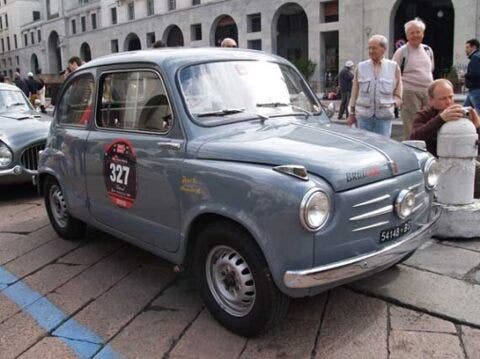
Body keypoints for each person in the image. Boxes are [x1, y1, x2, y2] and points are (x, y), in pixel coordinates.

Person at [347, 34, 402, 137]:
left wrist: (391, 105)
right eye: (369, 48)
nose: (371, 51)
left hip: (384, 118)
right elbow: (354, 93)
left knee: (383, 147)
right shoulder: (361, 67)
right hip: (364, 117)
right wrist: (351, 114)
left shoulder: (393, 67)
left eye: (374, 48)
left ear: (383, 49)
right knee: (363, 148)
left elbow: (398, 93)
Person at [410, 79, 480, 156]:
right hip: (433, 159)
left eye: (450, 97)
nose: (448, 102)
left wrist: (477, 127)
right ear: (431, 100)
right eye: (442, 99)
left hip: (460, 158)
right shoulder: (424, 115)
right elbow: (414, 138)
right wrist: (440, 119)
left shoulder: (461, 113)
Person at [392, 18, 434, 140]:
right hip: (409, 92)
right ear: (407, 35)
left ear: (423, 33)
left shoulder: (428, 50)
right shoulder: (401, 52)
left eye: (418, 32)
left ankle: (427, 149)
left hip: (428, 92)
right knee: (411, 125)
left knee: (429, 123)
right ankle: (412, 151)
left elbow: (431, 69)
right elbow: (393, 73)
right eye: (412, 32)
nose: (415, 35)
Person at [464, 39, 480, 112]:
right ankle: (463, 123)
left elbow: (475, 74)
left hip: (476, 89)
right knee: (465, 111)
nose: (465, 50)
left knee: (477, 111)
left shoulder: (475, 57)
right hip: (474, 90)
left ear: (473, 47)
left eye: (467, 47)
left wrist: (465, 76)